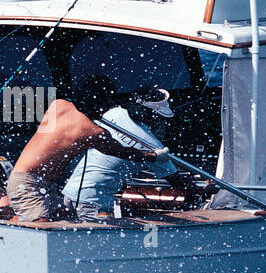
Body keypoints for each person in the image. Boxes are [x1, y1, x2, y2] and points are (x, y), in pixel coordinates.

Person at [6, 75, 167, 223]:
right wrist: (153, 156)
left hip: (36, 182)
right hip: (27, 185)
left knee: (65, 222)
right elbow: (122, 151)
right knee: (43, 231)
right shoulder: (92, 131)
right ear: (103, 104)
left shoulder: (59, 105)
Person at [62, 88, 181, 221]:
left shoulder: (114, 112)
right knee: (103, 240)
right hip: (95, 202)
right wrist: (204, 190)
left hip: (70, 191)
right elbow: (175, 179)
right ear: (154, 115)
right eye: (161, 119)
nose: (162, 123)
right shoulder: (154, 146)